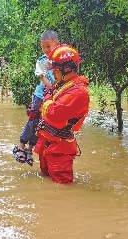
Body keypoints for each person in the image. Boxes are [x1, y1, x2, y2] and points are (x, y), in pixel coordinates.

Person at [35, 44, 90, 184]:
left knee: (62, 187)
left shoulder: (78, 92)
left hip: (59, 149)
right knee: (45, 181)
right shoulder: (64, 85)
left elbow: (53, 114)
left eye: (56, 70)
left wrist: (46, 100)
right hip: (49, 144)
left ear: (67, 69)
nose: (53, 73)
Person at [13, 30, 59, 165]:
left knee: (41, 124)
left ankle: (30, 149)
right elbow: (42, 76)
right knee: (33, 119)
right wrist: (51, 87)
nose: (46, 49)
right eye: (43, 47)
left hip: (53, 97)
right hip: (40, 95)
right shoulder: (42, 61)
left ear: (57, 44)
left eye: (49, 46)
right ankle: (21, 145)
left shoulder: (60, 60)